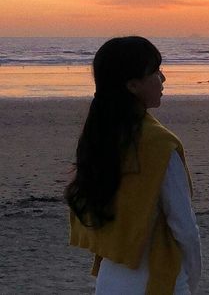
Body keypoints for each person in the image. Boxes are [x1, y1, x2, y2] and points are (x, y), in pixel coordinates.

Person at [65, 36, 201, 295]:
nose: (163, 79)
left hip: (109, 279)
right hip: (157, 280)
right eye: (155, 72)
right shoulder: (159, 144)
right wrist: (192, 277)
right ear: (133, 85)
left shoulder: (97, 138)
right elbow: (184, 227)